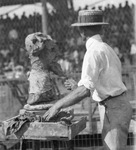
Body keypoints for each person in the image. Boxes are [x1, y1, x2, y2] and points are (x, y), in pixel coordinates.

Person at [43, 10, 132, 150]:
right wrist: (77, 86)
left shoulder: (93, 52)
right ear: (101, 28)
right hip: (114, 105)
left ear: (81, 31)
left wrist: (57, 105)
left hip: (114, 107)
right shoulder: (106, 48)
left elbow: (85, 90)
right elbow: (103, 83)